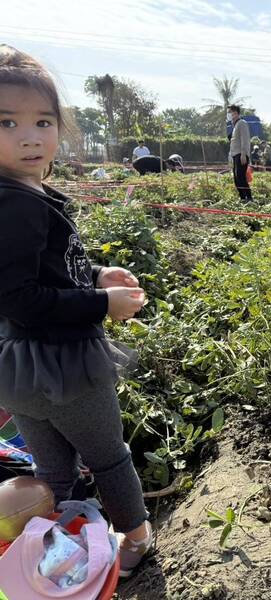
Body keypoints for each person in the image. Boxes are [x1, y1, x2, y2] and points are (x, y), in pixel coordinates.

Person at [0, 44, 152, 576]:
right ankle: (135, 538)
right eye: (6, 122)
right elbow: (21, 300)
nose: (29, 135)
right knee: (109, 457)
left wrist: (96, 276)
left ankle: (68, 542)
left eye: (42, 121)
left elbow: (44, 274)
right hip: (64, 364)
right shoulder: (16, 205)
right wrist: (101, 303)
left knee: (53, 470)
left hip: (19, 371)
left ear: (59, 127)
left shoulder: (28, 192)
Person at [228, 104, 252, 201]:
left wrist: (243, 154)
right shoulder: (235, 126)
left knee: (241, 177)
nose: (229, 115)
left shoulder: (242, 123)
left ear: (236, 113)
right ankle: (242, 198)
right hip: (235, 155)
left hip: (240, 154)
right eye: (229, 113)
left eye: (231, 113)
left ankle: (249, 197)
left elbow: (245, 139)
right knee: (236, 178)